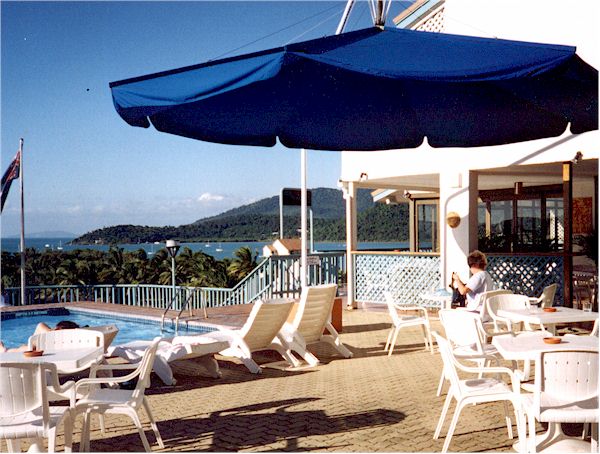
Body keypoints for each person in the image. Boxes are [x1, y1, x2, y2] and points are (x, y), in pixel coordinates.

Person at [451, 250, 494, 315]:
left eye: (470, 266)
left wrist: (457, 279)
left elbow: (463, 291)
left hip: (476, 310)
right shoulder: (486, 275)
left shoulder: (478, 276)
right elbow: (468, 287)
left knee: (450, 312)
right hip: (485, 310)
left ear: (475, 265)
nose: (470, 269)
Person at [0, 320, 80, 352]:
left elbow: (41, 326)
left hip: (30, 351)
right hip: (31, 349)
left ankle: (4, 350)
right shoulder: (68, 343)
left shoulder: (46, 331)